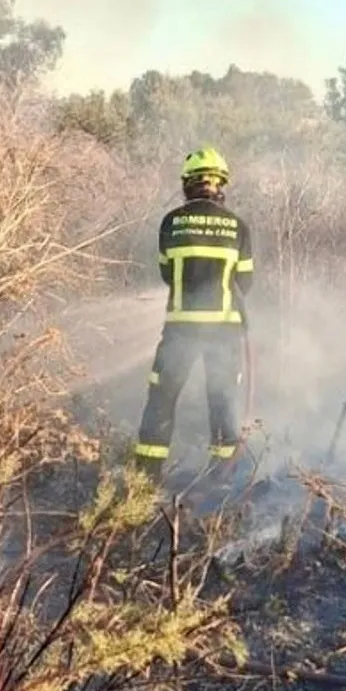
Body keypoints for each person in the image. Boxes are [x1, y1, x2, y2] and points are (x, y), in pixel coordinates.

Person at [131, 145, 255, 483]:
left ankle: (144, 481)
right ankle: (222, 482)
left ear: (188, 184)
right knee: (223, 402)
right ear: (221, 185)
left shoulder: (171, 222)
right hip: (225, 332)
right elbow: (246, 281)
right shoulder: (238, 227)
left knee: (161, 400)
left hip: (181, 331)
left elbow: (167, 275)